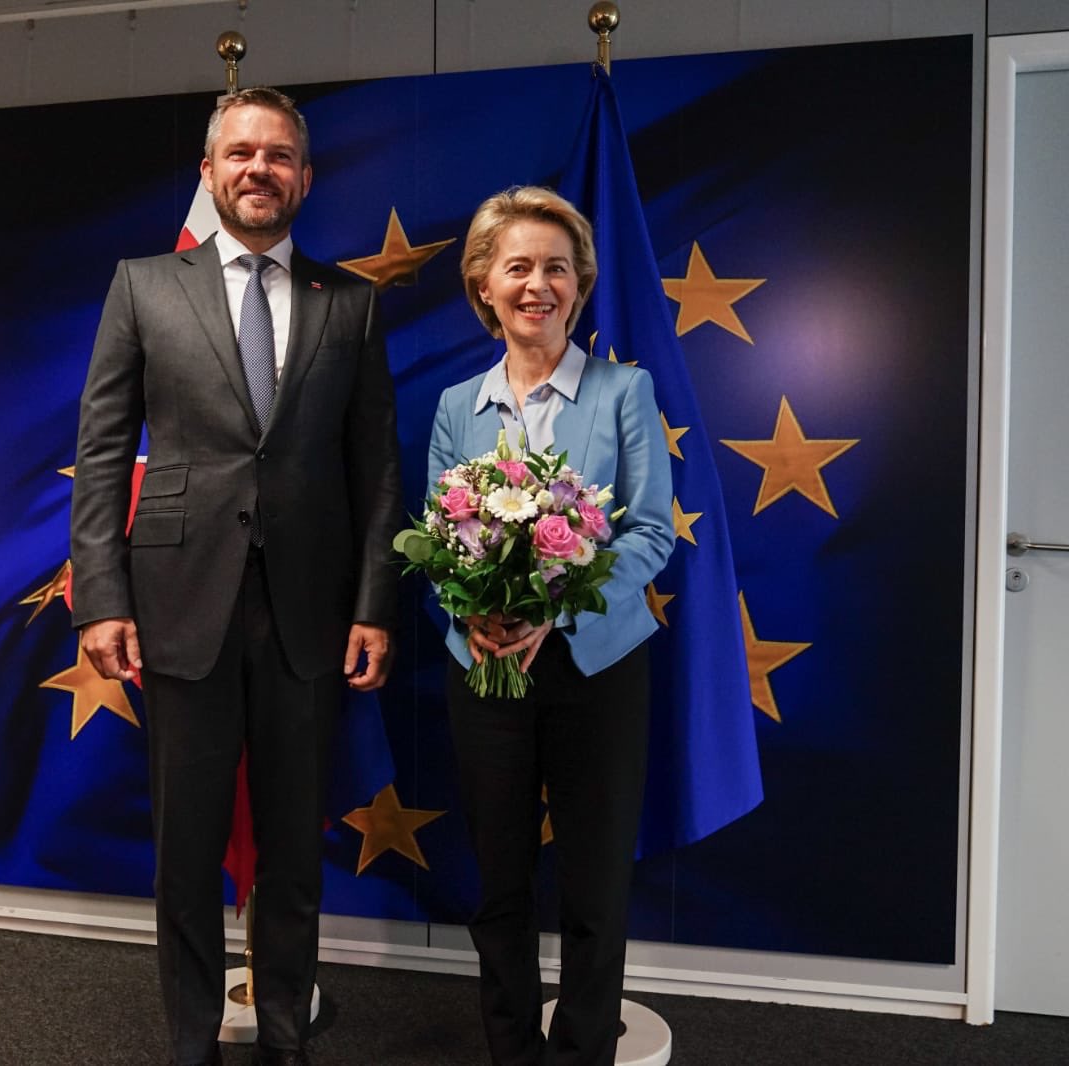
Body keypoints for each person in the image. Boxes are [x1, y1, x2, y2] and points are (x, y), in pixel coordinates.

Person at [70, 87, 401, 1066]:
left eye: (280, 155)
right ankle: (191, 1044)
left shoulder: (352, 302)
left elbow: (376, 468)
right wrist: (101, 595)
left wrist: (374, 605)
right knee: (186, 853)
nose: (260, 170)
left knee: (295, 852)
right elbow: (100, 452)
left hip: (309, 614)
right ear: (211, 172)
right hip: (176, 606)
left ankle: (287, 1042)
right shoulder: (142, 286)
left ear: (305, 176)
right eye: (241, 154)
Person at [425, 186, 674, 1066]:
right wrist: (477, 613)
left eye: (557, 268)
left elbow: (649, 533)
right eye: (519, 267)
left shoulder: (623, 392)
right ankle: (511, 1054)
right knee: (497, 882)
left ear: (580, 284)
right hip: (485, 667)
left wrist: (552, 611)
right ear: (484, 285)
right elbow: (435, 540)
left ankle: (579, 1055)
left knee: (594, 882)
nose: (540, 284)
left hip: (596, 669)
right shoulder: (458, 405)